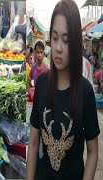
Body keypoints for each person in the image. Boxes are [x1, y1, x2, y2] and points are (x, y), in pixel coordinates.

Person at [26, 1, 100, 180]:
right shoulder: (42, 83)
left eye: (66, 40)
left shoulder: (85, 91)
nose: (58, 48)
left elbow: (92, 152)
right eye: (55, 38)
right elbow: (34, 142)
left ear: (75, 43)